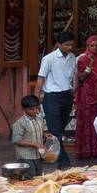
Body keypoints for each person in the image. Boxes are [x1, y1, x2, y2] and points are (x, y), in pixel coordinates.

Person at [35, 32, 77, 169]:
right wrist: (36, 99)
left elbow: (74, 75)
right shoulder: (49, 58)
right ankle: (64, 162)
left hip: (67, 96)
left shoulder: (72, 57)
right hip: (52, 96)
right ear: (58, 44)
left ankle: (49, 151)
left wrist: (74, 91)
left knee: (59, 129)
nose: (69, 47)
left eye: (71, 44)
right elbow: (41, 78)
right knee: (55, 131)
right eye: (66, 45)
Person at [73, 34, 97, 162]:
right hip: (86, 95)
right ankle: (85, 152)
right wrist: (89, 67)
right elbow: (80, 77)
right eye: (92, 45)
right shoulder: (82, 59)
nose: (95, 48)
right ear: (88, 46)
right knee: (86, 123)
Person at [12, 94, 53, 176]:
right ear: (24, 109)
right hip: (25, 156)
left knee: (38, 176)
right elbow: (17, 140)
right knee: (29, 177)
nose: (35, 111)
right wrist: (35, 144)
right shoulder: (20, 123)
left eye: (37, 108)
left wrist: (45, 134)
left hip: (38, 154)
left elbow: (40, 130)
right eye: (31, 109)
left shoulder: (39, 118)